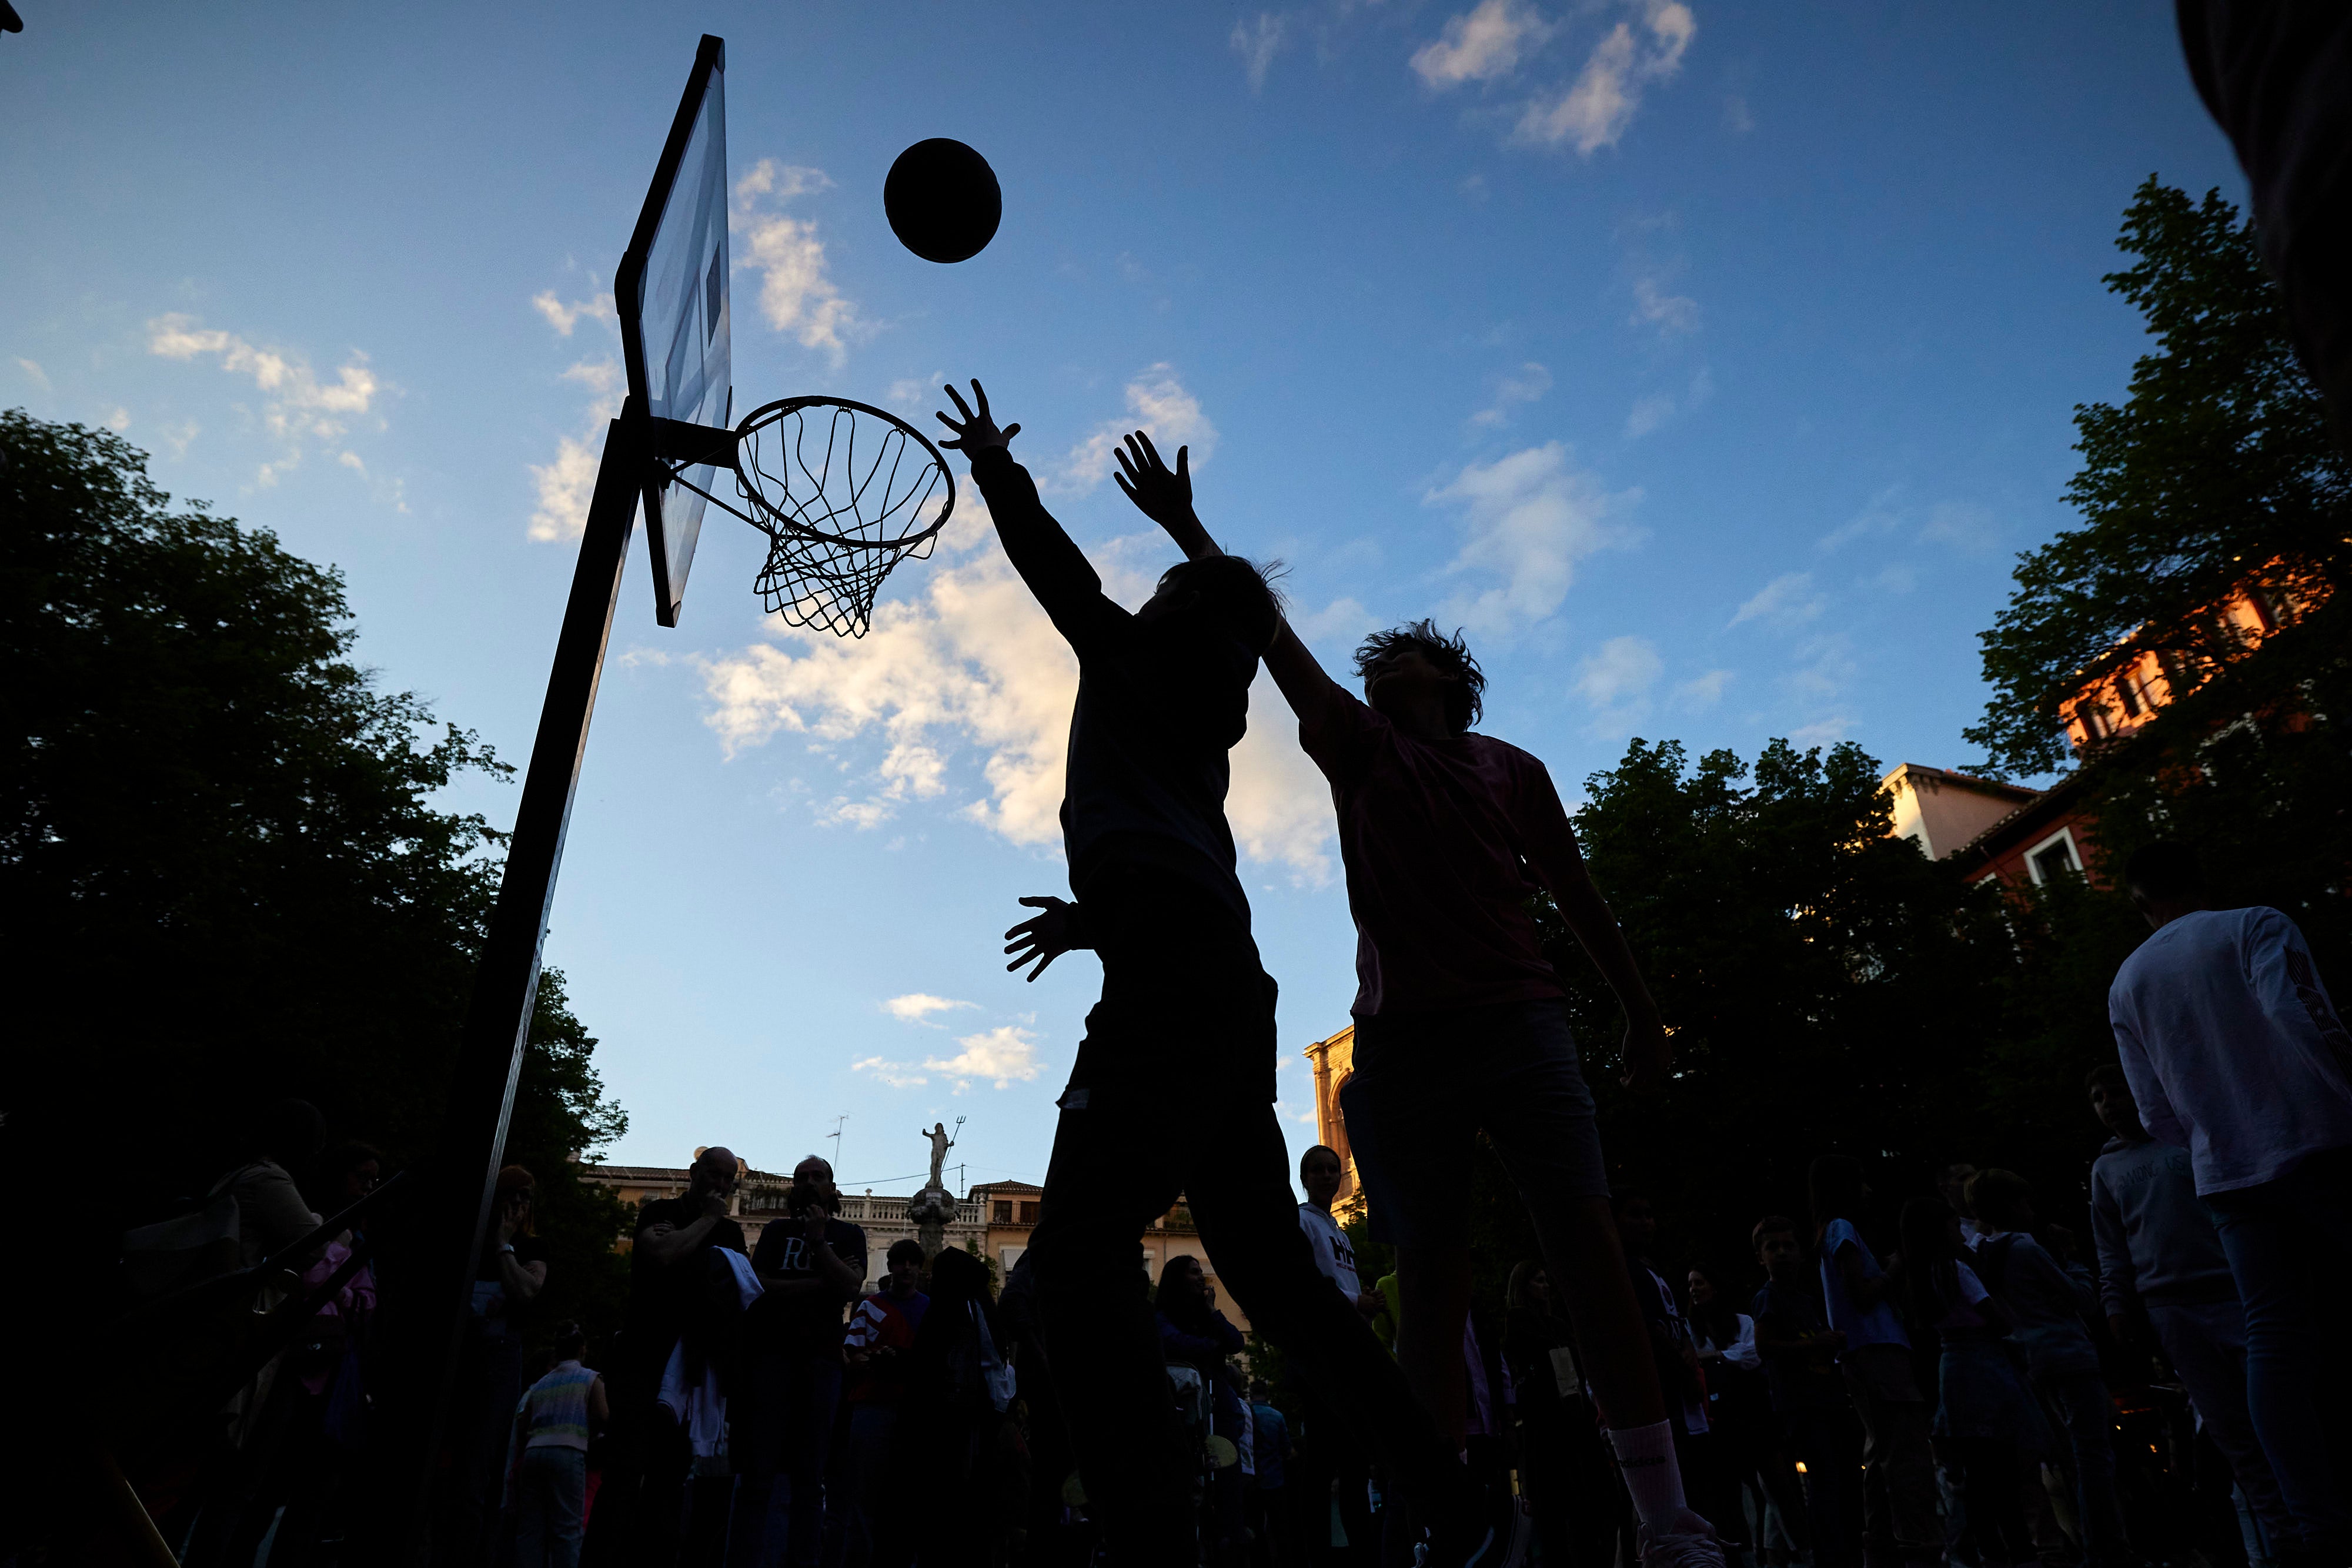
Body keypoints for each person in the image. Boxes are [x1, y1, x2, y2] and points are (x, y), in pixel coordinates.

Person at [1108, 429, 1720, 1567]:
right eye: (1378, 660)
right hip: (1403, 1045)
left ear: (1450, 684)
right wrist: (1187, 532)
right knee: (1429, 1274)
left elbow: (1576, 892)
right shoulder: (1352, 743)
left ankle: (1667, 1518)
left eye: (1409, 661)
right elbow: (1274, 637)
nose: (1386, 666)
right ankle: (1448, 1520)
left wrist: (1640, 1011)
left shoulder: (1507, 767)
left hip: (1523, 1019)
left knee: (1584, 1248)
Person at [937, 382, 1492, 1565]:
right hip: (1220, 980)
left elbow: (1053, 568)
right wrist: (1094, 923)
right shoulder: (1204, 705)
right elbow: (1167, 859)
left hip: (1172, 980)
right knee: (1278, 1283)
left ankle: (1149, 1518)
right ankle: (1447, 1495)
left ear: (1176, 607)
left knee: (1076, 1252)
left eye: (1167, 589)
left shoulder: (1134, 654)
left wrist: (994, 466)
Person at [2108, 840, 2352, 1552]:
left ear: (2138, 899)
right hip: (2316, 1147)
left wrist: (2211, 1139)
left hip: (2226, 1179)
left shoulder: (2127, 982)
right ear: (2199, 876)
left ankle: (2311, 1517)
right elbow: (2303, 1017)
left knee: (2272, 1339)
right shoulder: (2255, 925)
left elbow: (2150, 1109)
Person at [2086, 1062, 2293, 1549]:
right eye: (2097, 1097)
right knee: (2229, 1428)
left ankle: (2314, 1518)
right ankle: (2283, 1538)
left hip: (2234, 1291)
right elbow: (2111, 1248)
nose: (2108, 1102)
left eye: (2115, 1091)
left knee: (2278, 1410)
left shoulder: (2186, 1138)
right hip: (2170, 1308)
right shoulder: (2106, 1169)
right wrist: (2117, 1305)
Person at [585, 1145, 748, 1565]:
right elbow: (657, 1256)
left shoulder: (731, 1235)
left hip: (692, 1370)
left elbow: (739, 1294)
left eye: (729, 1179)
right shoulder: (660, 1212)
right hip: (643, 1360)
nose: (721, 1184)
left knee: (669, 1481)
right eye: (714, 1173)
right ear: (693, 1173)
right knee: (623, 1474)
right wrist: (707, 1220)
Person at [1963, 1169, 2130, 1568]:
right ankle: (2105, 1547)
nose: (2031, 1210)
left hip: (2032, 1362)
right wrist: (2072, 1257)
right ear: (2010, 1206)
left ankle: (2092, 1541)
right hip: (2070, 1356)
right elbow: (2083, 1300)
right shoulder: (2025, 1247)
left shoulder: (1983, 1251)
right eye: (2025, 1202)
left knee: (2066, 1456)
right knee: (2094, 1455)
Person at [734, 1156, 866, 1568]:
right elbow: (756, 1286)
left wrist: (818, 1241)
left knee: (811, 1477)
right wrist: (820, 1283)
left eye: (817, 1177)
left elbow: (849, 1286)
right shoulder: (774, 1231)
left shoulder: (848, 1233)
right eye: (802, 1177)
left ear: (832, 1186)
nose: (809, 1183)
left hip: (823, 1362)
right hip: (772, 1360)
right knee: (760, 1473)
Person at [1806, 1159, 1937, 1568]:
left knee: (1883, 1449)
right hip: (1877, 1349)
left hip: (1867, 1353)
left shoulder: (1833, 1231)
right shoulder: (1842, 1228)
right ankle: (1918, 1542)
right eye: (1860, 1182)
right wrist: (1894, 1269)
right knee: (1905, 1448)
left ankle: (1880, 1545)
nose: (1868, 1191)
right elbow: (1861, 1295)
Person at [1896, 1199, 2036, 1568]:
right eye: (1955, 1228)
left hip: (1953, 1369)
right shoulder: (1957, 1270)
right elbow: (1998, 1320)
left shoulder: (1922, 1276)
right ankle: (2021, 1549)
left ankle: (1988, 1549)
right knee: (2003, 1468)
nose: (1962, 1234)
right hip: (1984, 1368)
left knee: (1975, 1471)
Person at [1749, 1216, 1859, 1568]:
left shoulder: (1807, 1300)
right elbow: (1765, 1347)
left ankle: (1847, 1550)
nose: (1781, 1253)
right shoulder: (1768, 1298)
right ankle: (1830, 1557)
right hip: (1801, 1405)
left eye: (1788, 1246)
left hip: (1828, 1400)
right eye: (1772, 1247)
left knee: (1842, 1479)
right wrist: (1815, 1344)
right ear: (1760, 1258)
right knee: (1824, 1482)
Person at [1504, 1259, 1625, 1568]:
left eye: (1547, 1281)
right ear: (1524, 1285)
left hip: (1572, 1415)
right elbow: (1530, 1361)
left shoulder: (1556, 1324)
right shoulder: (1518, 1321)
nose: (1545, 1287)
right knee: (1555, 1497)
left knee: (1582, 1496)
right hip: (1545, 1420)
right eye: (1538, 1281)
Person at [1292, 1145, 1377, 1565]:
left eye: (1333, 1169)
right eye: (1318, 1170)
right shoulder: (1301, 1222)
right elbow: (1305, 1285)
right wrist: (1355, 1301)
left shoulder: (1340, 1232)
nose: (1327, 1176)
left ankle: (1361, 1551)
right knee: (1322, 1462)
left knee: (1355, 1465)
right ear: (1304, 1177)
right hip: (1322, 1355)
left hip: (1351, 1354)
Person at [835, 1238, 928, 1568]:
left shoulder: (929, 1310)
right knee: (864, 1494)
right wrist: (878, 1359)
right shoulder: (869, 1307)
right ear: (890, 1266)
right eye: (901, 1262)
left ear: (919, 1267)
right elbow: (852, 1357)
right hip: (872, 1408)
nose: (906, 1268)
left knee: (906, 1496)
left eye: (912, 1262)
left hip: (911, 1413)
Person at [1689, 1263, 1776, 1559]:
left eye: (1700, 1282)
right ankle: (1745, 1552)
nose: (1694, 1289)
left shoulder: (1742, 1322)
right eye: (1691, 1285)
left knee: (1768, 1486)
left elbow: (1753, 1355)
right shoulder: (1691, 1329)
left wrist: (1716, 1356)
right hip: (1716, 1419)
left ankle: (1775, 1550)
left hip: (1750, 1413)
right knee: (1729, 1493)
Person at [507, 1320, 609, 1568]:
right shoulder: (590, 1378)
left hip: (534, 1453)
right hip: (568, 1452)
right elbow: (603, 1416)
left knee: (530, 1530)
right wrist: (589, 1433)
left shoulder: (540, 1385)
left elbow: (524, 1423)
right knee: (567, 1531)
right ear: (582, 1349)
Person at [1248, 1379, 1295, 1568]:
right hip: (1275, 1481)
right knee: (1280, 1527)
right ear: (1267, 1394)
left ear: (1251, 1395)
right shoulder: (1277, 1416)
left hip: (1254, 1481)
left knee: (1257, 1527)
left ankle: (1261, 1561)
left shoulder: (1247, 1415)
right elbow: (1287, 1450)